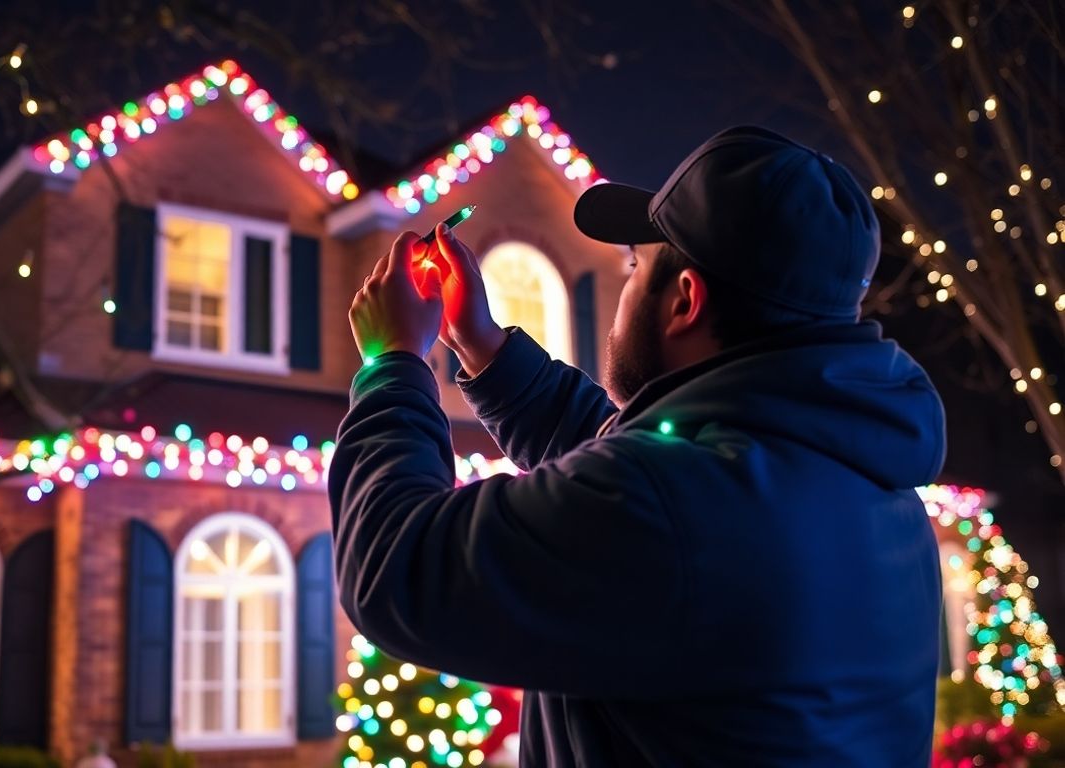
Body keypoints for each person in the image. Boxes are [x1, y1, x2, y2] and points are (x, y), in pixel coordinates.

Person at [329, 125, 946, 766]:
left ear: (684, 301)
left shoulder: (673, 505)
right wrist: (483, 346)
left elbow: (396, 565)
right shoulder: (873, 494)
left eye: (634, 268)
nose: (624, 290)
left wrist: (393, 361)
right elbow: (635, 476)